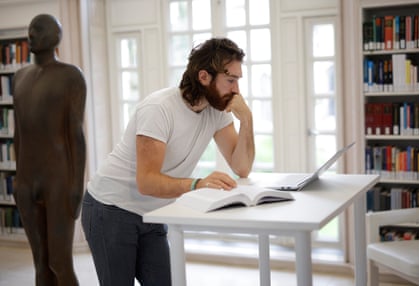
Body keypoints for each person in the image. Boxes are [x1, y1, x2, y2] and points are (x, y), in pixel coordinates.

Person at [81, 37, 255, 286]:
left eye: (238, 80)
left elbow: (242, 167)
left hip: (153, 213)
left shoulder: (216, 112)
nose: (236, 90)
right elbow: (147, 182)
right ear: (204, 77)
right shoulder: (159, 109)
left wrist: (247, 119)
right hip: (110, 208)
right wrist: (197, 184)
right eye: (231, 80)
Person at [12, 14, 87, 286]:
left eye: (39, 29)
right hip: (27, 180)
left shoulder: (71, 76)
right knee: (40, 264)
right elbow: (19, 131)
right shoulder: (20, 77)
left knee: (59, 263)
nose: (31, 33)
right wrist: (19, 178)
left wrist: (77, 184)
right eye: (30, 28)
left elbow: (76, 134)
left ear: (55, 36)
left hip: (59, 179)